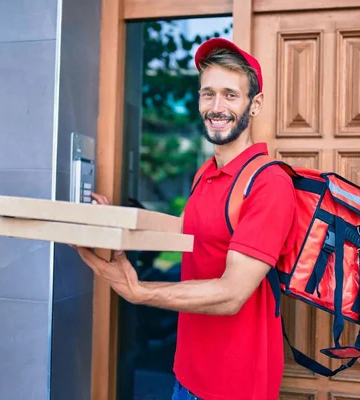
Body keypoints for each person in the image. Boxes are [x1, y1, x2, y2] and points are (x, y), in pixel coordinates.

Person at [76, 38, 298, 400]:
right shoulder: (205, 173)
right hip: (187, 372)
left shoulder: (269, 183)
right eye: (207, 94)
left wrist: (138, 292)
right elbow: (185, 231)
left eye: (230, 94)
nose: (216, 106)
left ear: (254, 104)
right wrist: (113, 220)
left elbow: (231, 294)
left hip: (234, 386)